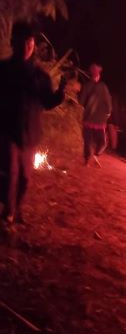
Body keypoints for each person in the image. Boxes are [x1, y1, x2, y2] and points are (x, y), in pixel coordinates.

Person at [0, 21, 66, 225]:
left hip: (30, 134)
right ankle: (9, 213)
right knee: (11, 172)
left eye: (30, 42)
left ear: (33, 45)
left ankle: (16, 209)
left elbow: (47, 102)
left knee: (25, 178)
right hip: (7, 132)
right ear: (14, 43)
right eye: (22, 41)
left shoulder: (40, 76)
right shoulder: (4, 70)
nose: (26, 46)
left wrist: (60, 93)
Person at [79, 63, 112, 166]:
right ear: (98, 75)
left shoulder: (86, 86)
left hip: (88, 118)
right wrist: (108, 112)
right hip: (100, 120)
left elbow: (81, 102)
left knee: (87, 141)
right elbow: (108, 102)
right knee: (102, 142)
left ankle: (86, 160)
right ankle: (96, 154)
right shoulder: (103, 86)